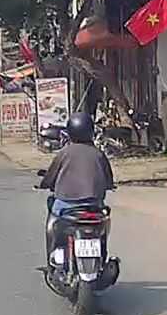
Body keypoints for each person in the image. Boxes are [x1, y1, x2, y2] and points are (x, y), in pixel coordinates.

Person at [37, 112, 115, 265]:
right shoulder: (98, 154)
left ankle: (53, 257)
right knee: (104, 224)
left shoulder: (64, 153)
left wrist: (44, 184)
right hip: (94, 205)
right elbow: (108, 179)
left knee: (52, 223)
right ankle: (102, 257)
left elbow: (51, 175)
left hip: (66, 205)